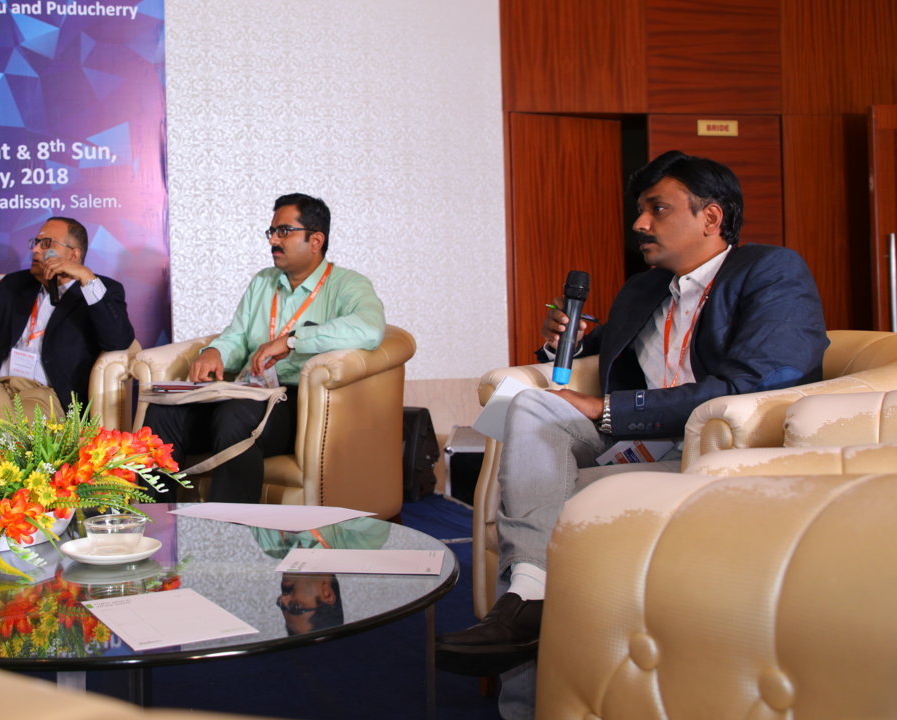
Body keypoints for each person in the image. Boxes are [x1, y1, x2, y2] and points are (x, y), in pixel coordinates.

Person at [436, 151, 829, 690]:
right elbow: (598, 351)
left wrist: (608, 409)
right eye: (640, 210)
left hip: (711, 449)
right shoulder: (644, 288)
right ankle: (530, 594)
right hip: (636, 439)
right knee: (530, 405)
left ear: (711, 217)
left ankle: (524, 655)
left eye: (657, 209)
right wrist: (563, 344)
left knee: (552, 498)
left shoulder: (770, 271)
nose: (639, 224)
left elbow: (761, 381)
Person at [143, 193, 385, 503]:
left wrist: (293, 340)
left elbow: (370, 329)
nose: (273, 240)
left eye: (284, 231)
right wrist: (215, 352)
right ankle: (157, 521)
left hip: (296, 403)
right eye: (271, 232)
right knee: (164, 412)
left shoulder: (347, 285)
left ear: (316, 240)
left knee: (234, 417)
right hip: (246, 391)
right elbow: (237, 335)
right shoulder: (263, 281)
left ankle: (229, 528)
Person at [0, 216, 134, 420]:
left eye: (46, 243)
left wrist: (86, 278)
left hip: (43, 395)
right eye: (36, 243)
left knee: (8, 415)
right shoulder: (15, 286)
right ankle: (1, 429)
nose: (35, 250)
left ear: (73, 256)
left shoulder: (99, 291)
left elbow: (118, 341)